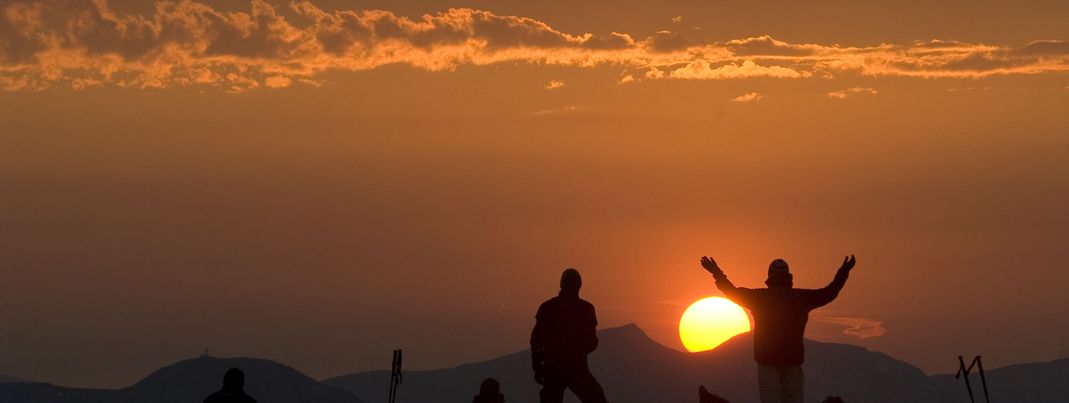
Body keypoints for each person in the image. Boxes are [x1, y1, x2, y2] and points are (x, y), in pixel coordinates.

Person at [700, 255, 857, 403]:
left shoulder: (760, 298)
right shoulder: (801, 298)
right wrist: (843, 272)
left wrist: (717, 273)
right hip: (792, 362)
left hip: (767, 361)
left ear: (770, 277)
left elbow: (731, 291)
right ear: (788, 277)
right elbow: (829, 292)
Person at [530, 268, 610, 403]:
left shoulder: (548, 307)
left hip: (553, 368)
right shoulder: (586, 309)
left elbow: (536, 341)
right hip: (577, 367)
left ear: (562, 284)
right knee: (596, 399)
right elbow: (592, 342)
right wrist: (578, 351)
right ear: (579, 286)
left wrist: (538, 366)